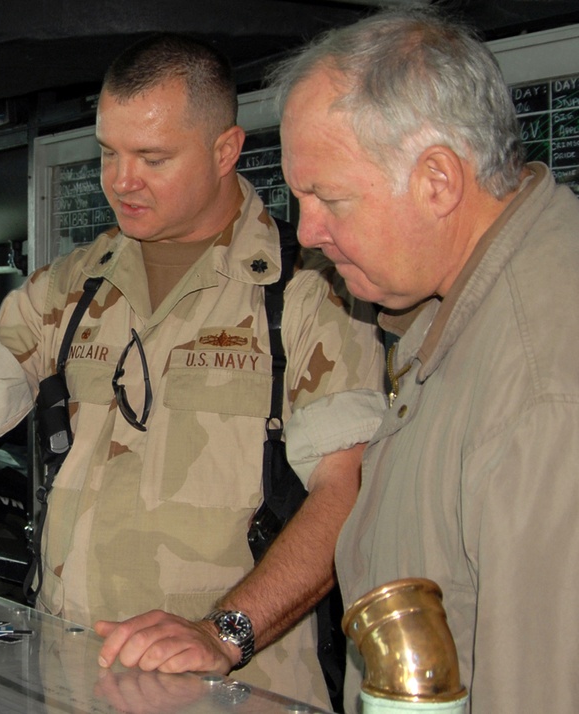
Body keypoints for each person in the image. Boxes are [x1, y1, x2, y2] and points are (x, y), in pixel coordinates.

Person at [0, 34, 384, 708]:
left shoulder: (307, 292)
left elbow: (348, 493)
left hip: (234, 687)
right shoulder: (72, 290)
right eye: (109, 152)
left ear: (225, 150)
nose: (121, 181)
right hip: (73, 679)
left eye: (153, 158)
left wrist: (221, 632)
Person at [272, 8, 579, 713]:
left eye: (329, 198)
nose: (307, 232)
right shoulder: (453, 311)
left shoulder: (542, 385)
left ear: (438, 180)